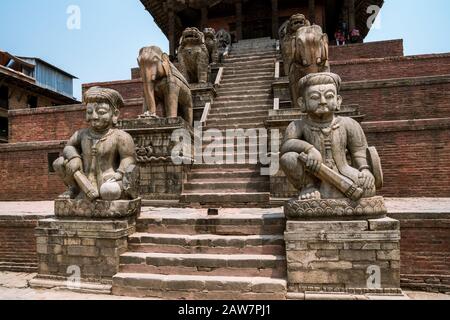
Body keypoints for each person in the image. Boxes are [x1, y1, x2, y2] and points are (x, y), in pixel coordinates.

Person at [280, 73, 376, 200]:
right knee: (288, 158)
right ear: (302, 103)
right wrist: (310, 149)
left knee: (368, 188)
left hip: (345, 173)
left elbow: (359, 151)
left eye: (329, 96)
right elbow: (287, 145)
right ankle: (308, 187)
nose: (322, 102)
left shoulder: (349, 124)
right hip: (313, 175)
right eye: (314, 97)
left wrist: (365, 170)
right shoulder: (297, 125)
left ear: (338, 100)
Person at [53, 87, 136, 201]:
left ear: (115, 114)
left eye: (101, 112)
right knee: (59, 162)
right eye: (89, 112)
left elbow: (128, 158)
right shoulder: (81, 134)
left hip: (108, 178)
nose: (94, 117)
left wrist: (119, 174)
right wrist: (75, 157)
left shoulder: (121, 136)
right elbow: (69, 146)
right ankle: (73, 189)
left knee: (109, 191)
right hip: (83, 179)